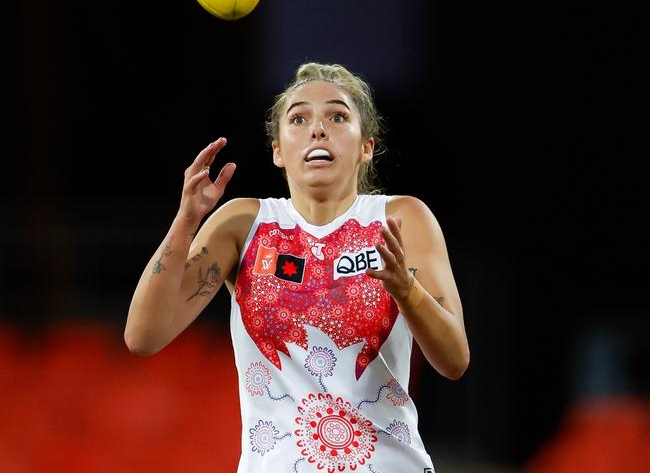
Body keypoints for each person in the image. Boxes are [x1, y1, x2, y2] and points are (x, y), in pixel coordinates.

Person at [125, 62, 469, 472]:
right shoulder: (243, 224)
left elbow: (454, 360)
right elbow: (142, 336)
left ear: (366, 147)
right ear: (278, 150)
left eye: (338, 116)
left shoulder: (400, 219)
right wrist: (185, 222)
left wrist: (406, 291)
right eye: (299, 118)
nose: (318, 129)